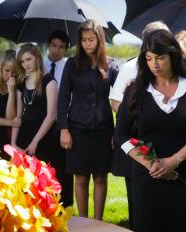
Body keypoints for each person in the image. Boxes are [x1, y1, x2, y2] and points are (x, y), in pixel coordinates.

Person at [115, 29, 186, 232]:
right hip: (147, 179)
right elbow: (121, 135)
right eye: (148, 59)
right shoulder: (135, 90)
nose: (154, 64)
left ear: (173, 56)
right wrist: (153, 165)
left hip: (184, 177)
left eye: (160, 58)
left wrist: (173, 161)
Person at [109, 21, 170, 229]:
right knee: (138, 195)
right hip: (139, 141)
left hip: (167, 143)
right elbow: (116, 101)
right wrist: (136, 117)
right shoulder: (129, 67)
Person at [57, 19, 119, 220]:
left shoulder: (111, 66)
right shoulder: (71, 65)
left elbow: (120, 100)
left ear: (99, 40)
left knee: (101, 177)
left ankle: (98, 223)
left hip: (103, 130)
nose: (87, 44)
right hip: (77, 129)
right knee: (81, 178)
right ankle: (83, 222)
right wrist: (64, 129)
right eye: (83, 40)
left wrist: (117, 133)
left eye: (91, 39)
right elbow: (63, 97)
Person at [11, 43, 58, 164]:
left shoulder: (49, 81)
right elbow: (18, 116)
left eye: (28, 59)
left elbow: (52, 115)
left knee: (42, 177)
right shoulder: (21, 83)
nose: (25, 64)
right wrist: (13, 143)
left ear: (37, 57)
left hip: (43, 136)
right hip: (24, 134)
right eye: (22, 61)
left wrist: (35, 141)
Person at [44, 30, 73, 207]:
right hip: (41, 123)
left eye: (61, 47)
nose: (57, 50)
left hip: (63, 123)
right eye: (54, 45)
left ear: (66, 49)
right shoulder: (38, 64)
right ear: (48, 45)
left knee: (64, 169)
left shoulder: (69, 66)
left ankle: (65, 207)